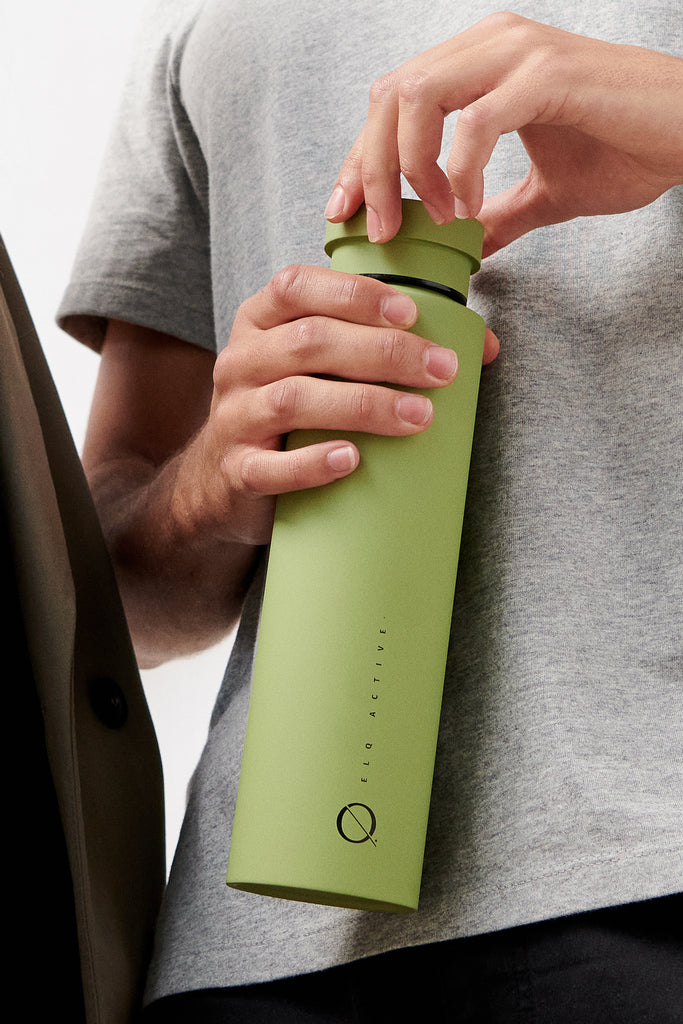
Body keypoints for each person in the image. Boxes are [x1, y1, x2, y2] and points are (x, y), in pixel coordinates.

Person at [57, 1, 683, 1020]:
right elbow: (110, 603)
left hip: (649, 879)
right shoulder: (205, 28)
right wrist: (210, 480)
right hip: (257, 942)